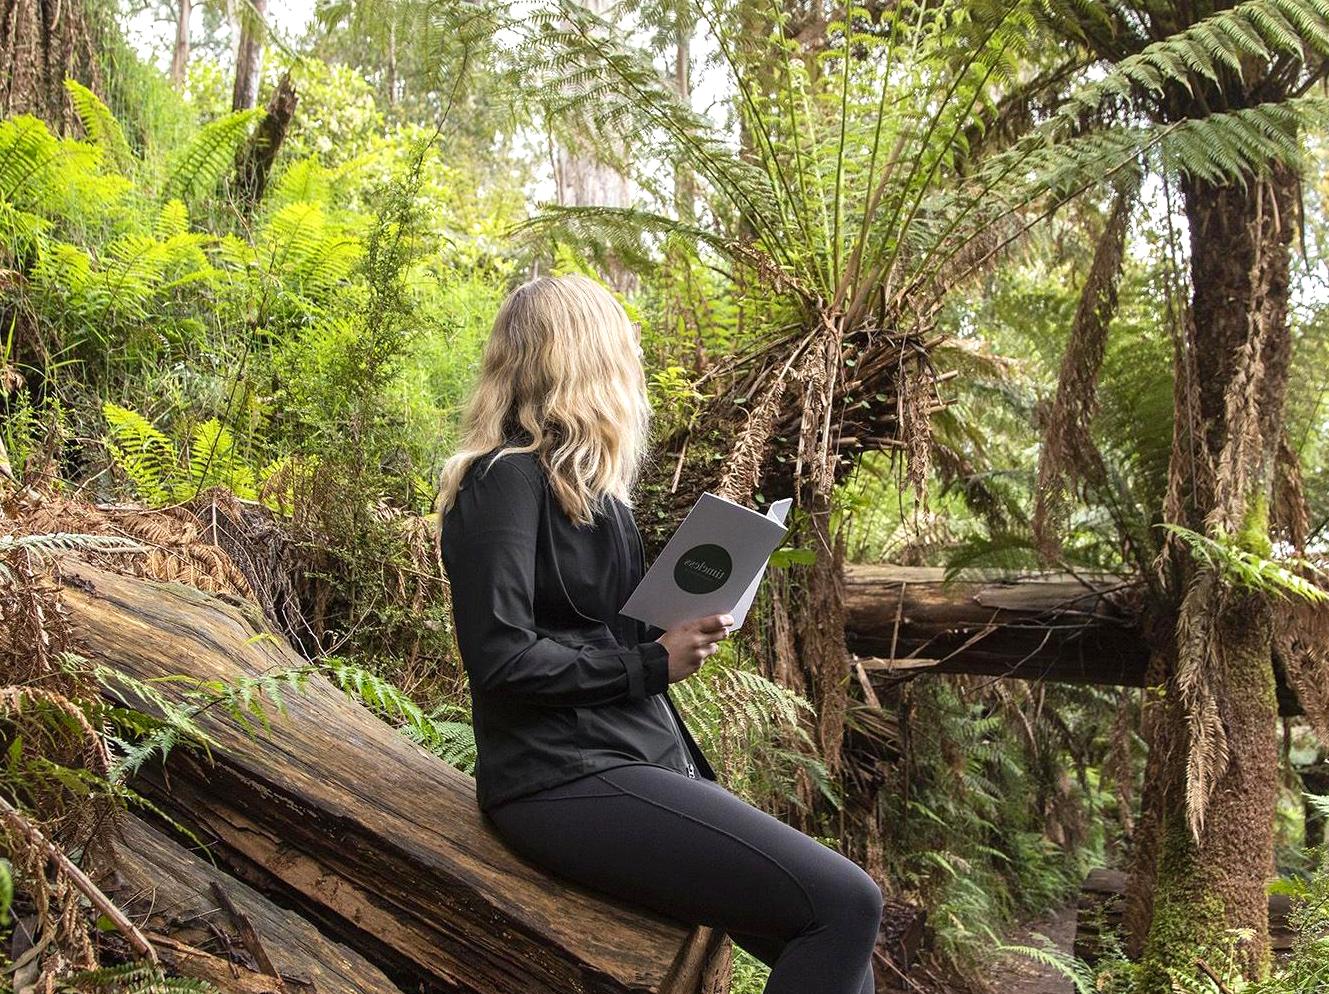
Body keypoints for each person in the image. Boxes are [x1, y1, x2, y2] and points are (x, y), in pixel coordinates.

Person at [435, 273, 882, 994]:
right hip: (558, 778)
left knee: (842, 939)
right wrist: (652, 662)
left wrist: (691, 619)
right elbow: (501, 659)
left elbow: (607, 636)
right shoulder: (501, 482)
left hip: (629, 758)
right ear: (582, 358)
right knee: (846, 902)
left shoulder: (597, 499)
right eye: (622, 346)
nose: (633, 365)